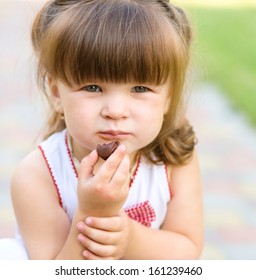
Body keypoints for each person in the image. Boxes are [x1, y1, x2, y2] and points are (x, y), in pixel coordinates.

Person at [0, 0, 203, 260]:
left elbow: (187, 249)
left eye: (140, 89)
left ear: (168, 96)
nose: (116, 110)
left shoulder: (174, 158)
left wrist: (128, 238)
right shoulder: (38, 175)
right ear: (56, 93)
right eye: (93, 87)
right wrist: (92, 212)